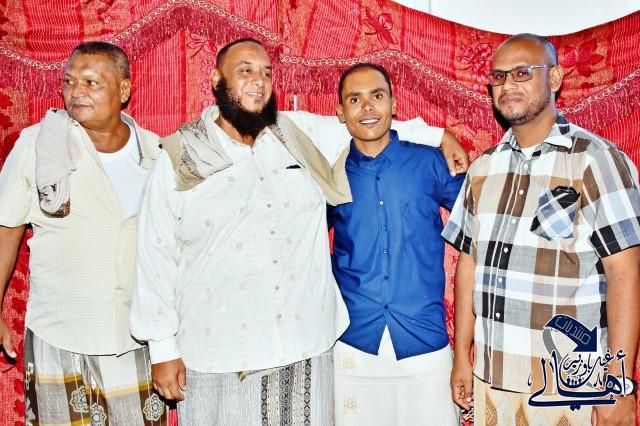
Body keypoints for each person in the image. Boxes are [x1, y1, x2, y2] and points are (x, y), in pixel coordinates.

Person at [129, 38, 468, 425]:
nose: (258, 81)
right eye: (245, 71)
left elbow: (367, 123)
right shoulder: (180, 156)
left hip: (305, 348)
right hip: (219, 351)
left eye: (266, 73)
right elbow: (155, 253)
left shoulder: (296, 134)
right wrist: (162, 348)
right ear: (216, 80)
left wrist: (438, 135)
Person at [443, 33, 640, 425]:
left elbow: (625, 273)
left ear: (554, 78)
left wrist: (618, 384)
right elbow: (468, 266)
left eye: (522, 73)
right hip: (492, 379)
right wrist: (462, 357)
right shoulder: (483, 169)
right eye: (499, 77)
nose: (508, 85)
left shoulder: (596, 160)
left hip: (570, 387)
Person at [0, 42, 166, 424]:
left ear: (123, 90)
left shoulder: (156, 154)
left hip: (132, 340)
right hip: (58, 334)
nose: (76, 92)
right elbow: (7, 229)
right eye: (70, 81)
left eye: (91, 82)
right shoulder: (38, 145)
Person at [328, 63, 462, 425]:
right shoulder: (330, 172)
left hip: (424, 342)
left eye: (377, 96)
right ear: (340, 112)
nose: (367, 107)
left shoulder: (430, 162)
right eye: (355, 99)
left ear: (394, 104)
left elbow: (482, 223)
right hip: (353, 343)